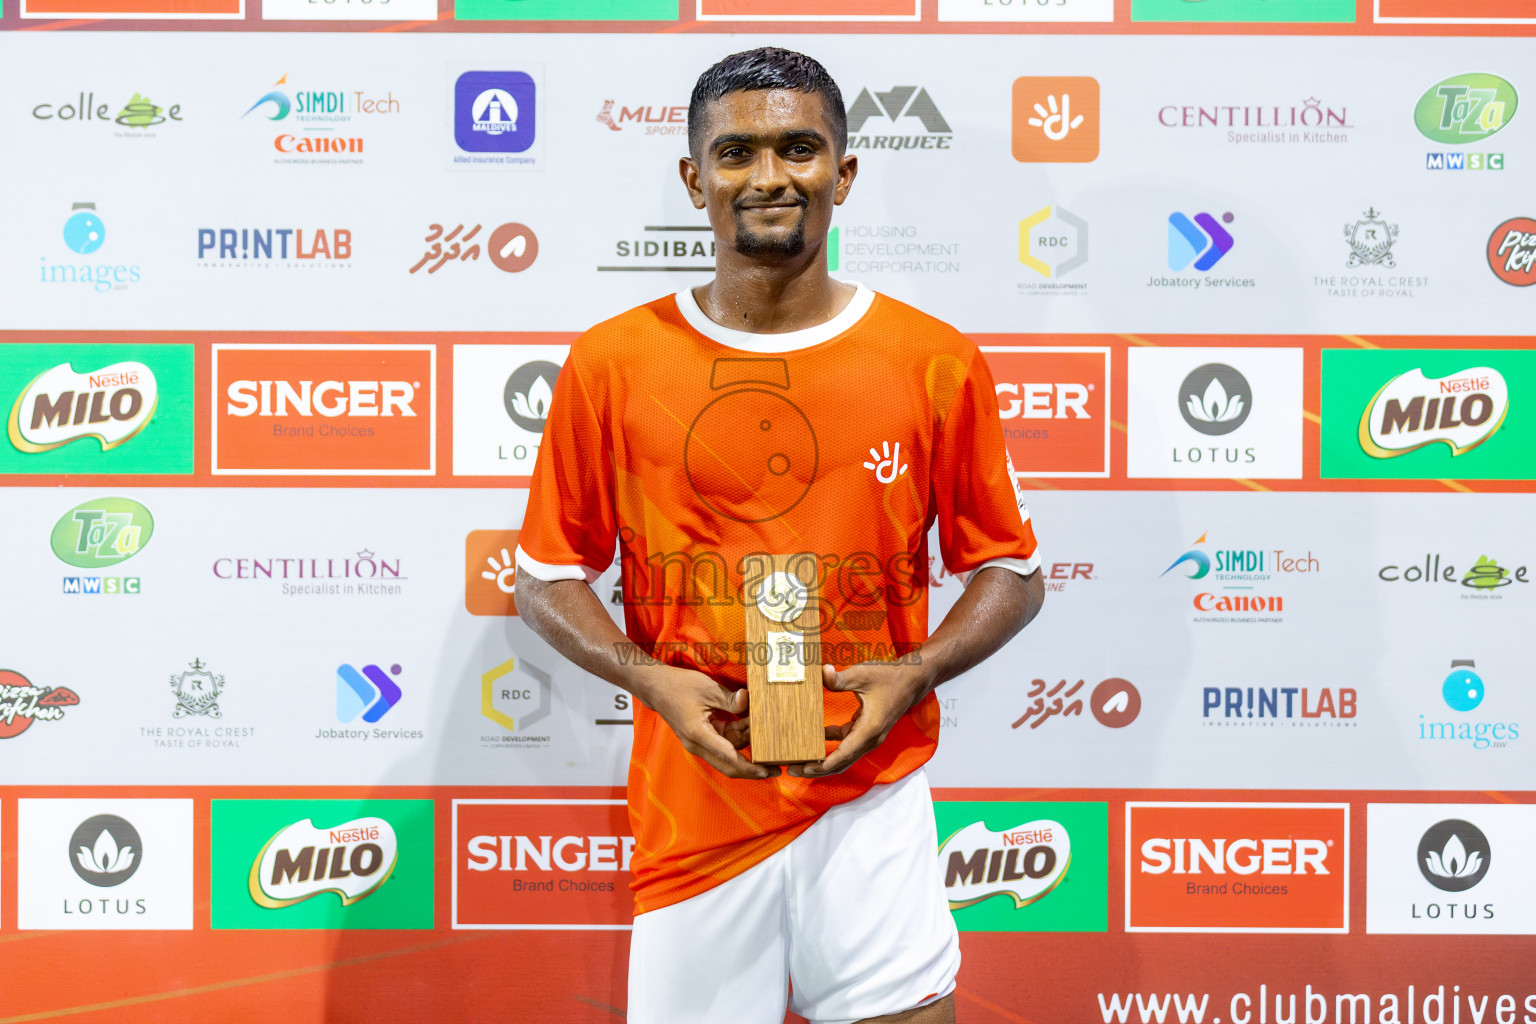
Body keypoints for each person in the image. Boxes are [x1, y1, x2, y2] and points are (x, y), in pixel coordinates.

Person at [514, 46, 1045, 1024]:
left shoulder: (932, 360)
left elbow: (1011, 569)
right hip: (697, 807)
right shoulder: (612, 363)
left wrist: (917, 669)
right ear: (693, 177)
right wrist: (647, 678)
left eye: (799, 148)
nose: (768, 177)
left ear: (842, 174)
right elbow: (546, 575)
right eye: (736, 152)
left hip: (872, 795)